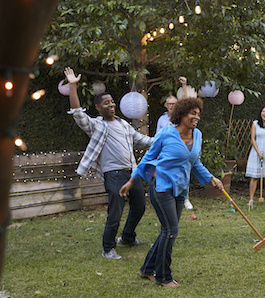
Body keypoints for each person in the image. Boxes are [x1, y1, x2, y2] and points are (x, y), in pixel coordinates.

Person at [119, 97, 224, 288]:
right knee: (171, 231)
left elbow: (195, 162)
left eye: (198, 114)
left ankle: (147, 269)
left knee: (167, 231)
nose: (196, 117)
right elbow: (147, 159)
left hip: (180, 188)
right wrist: (131, 181)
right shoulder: (166, 134)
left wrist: (212, 179)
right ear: (182, 114)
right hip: (160, 186)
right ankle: (163, 277)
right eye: (193, 113)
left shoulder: (197, 135)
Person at [64, 67, 153, 260]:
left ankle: (127, 238)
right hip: (113, 175)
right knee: (116, 212)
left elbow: (142, 140)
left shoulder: (123, 124)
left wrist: (164, 139)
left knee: (139, 207)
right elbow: (78, 114)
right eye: (106, 103)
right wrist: (72, 86)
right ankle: (108, 248)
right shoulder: (97, 125)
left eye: (112, 102)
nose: (111, 105)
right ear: (98, 107)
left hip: (133, 174)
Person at [156, 76, 194, 210]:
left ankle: (185, 198)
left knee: (183, 174)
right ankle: (169, 198)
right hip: (166, 153)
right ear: (166, 105)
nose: (171, 106)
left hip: (180, 150)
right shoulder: (161, 119)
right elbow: (157, 137)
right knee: (167, 175)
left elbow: (185, 102)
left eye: (174, 103)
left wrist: (184, 86)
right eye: (169, 104)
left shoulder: (181, 117)